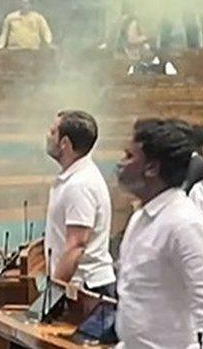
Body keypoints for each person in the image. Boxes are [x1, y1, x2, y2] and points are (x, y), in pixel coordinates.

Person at [115, 118, 203, 349]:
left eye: (128, 156)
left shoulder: (183, 223)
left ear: (152, 168)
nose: (120, 163)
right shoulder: (139, 218)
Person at [43, 111, 115, 297]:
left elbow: (76, 245)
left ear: (65, 143)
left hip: (86, 288)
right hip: (78, 285)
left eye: (52, 132)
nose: (47, 136)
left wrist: (52, 294)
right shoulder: (74, 177)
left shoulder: (80, 184)